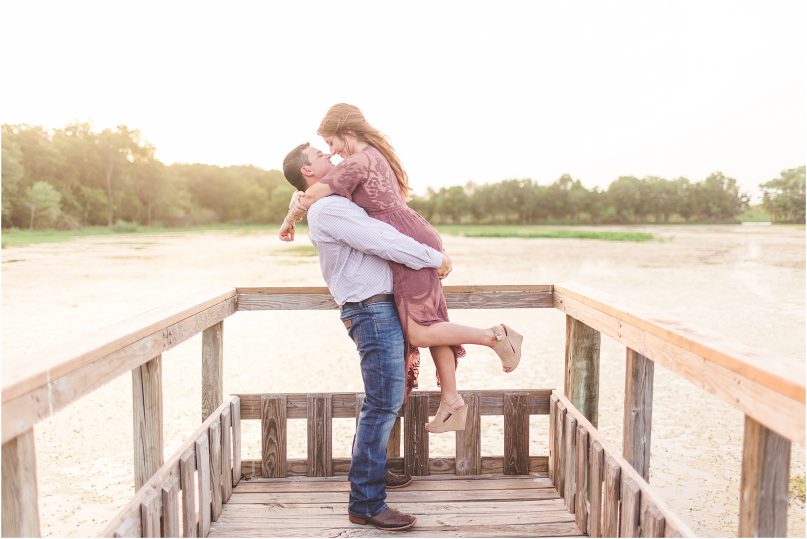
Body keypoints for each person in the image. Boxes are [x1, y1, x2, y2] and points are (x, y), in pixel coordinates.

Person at [279, 104, 523, 435]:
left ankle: (496, 337)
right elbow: (312, 193)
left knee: (419, 331)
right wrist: (293, 214)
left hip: (406, 242)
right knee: (432, 323)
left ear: (345, 131)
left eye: (330, 143)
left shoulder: (357, 160)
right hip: (411, 235)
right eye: (324, 150)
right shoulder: (371, 154)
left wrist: (290, 217)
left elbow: (312, 194)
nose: (332, 153)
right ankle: (452, 402)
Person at [281, 142, 453, 530]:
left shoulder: (329, 201)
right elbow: (383, 239)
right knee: (382, 403)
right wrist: (435, 259)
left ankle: (370, 473)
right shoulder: (330, 208)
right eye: (321, 157)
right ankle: (366, 501)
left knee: (382, 400)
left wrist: (289, 215)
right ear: (309, 172)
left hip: (375, 308)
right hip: (371, 310)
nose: (332, 158)